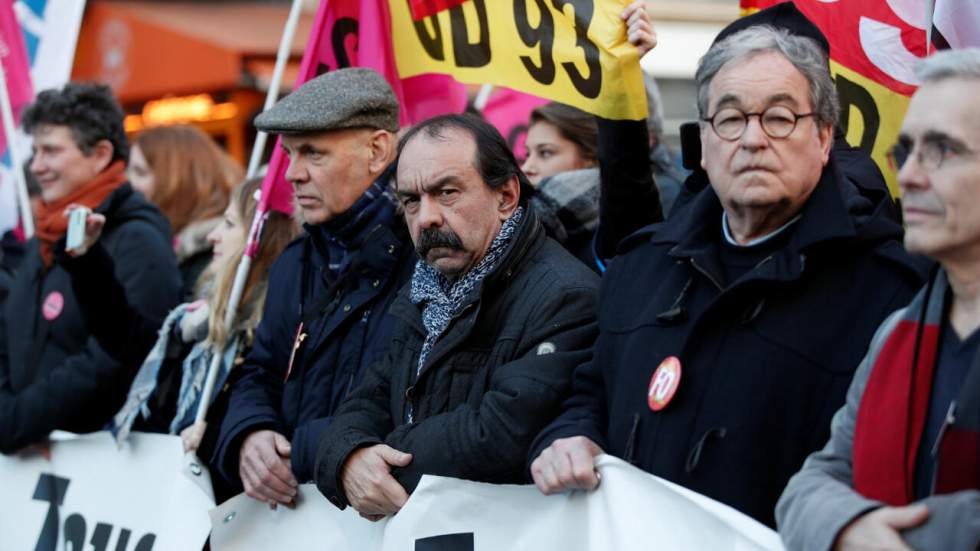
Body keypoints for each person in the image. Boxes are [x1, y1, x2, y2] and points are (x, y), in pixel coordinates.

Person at [528, 25, 926, 526]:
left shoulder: (891, 293)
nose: (754, 140)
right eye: (732, 119)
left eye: (780, 118)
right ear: (705, 140)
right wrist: (569, 436)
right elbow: (589, 393)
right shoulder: (640, 268)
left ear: (824, 137)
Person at [313, 114, 599, 521]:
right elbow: (369, 395)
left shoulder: (565, 295)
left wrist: (382, 461)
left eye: (446, 192)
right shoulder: (425, 285)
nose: (426, 217)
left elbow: (500, 434)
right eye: (411, 200)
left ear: (506, 196)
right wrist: (349, 457)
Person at [776, 48, 980, 551]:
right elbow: (807, 488)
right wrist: (850, 527)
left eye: (943, 150)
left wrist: (904, 534)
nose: (908, 176)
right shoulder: (898, 334)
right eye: (906, 150)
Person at [212, 68, 418, 507]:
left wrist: (309, 450)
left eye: (313, 154)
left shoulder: (428, 256)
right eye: (289, 153)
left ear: (378, 150)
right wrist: (251, 433)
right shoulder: (296, 262)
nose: (292, 173)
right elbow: (262, 369)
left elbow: (412, 395)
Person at [0, 83, 181, 454]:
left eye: (50, 150)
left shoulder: (138, 240)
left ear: (100, 155)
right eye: (35, 151)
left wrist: (21, 420)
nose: (36, 166)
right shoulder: (44, 240)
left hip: (101, 473)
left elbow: (122, 354)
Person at [127, 124, 243, 300]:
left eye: (140, 172)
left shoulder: (214, 251)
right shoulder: (166, 240)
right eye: (128, 171)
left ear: (179, 180)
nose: (129, 183)